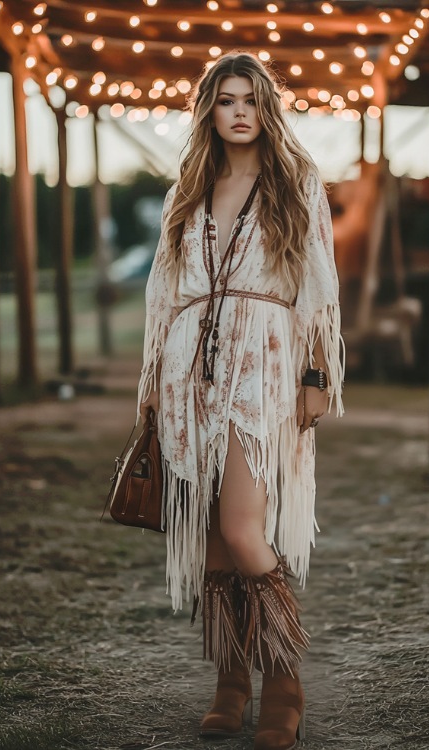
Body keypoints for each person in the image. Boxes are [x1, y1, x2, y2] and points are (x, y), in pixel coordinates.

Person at [138, 52, 344, 750]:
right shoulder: (185, 194)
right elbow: (163, 299)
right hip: (187, 370)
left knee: (243, 529)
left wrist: (317, 377)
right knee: (212, 544)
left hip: (266, 363)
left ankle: (284, 682)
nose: (239, 112)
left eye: (251, 100)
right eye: (226, 100)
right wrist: (152, 394)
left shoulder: (297, 182)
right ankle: (231, 683)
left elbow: (318, 287)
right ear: (209, 110)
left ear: (267, 107)